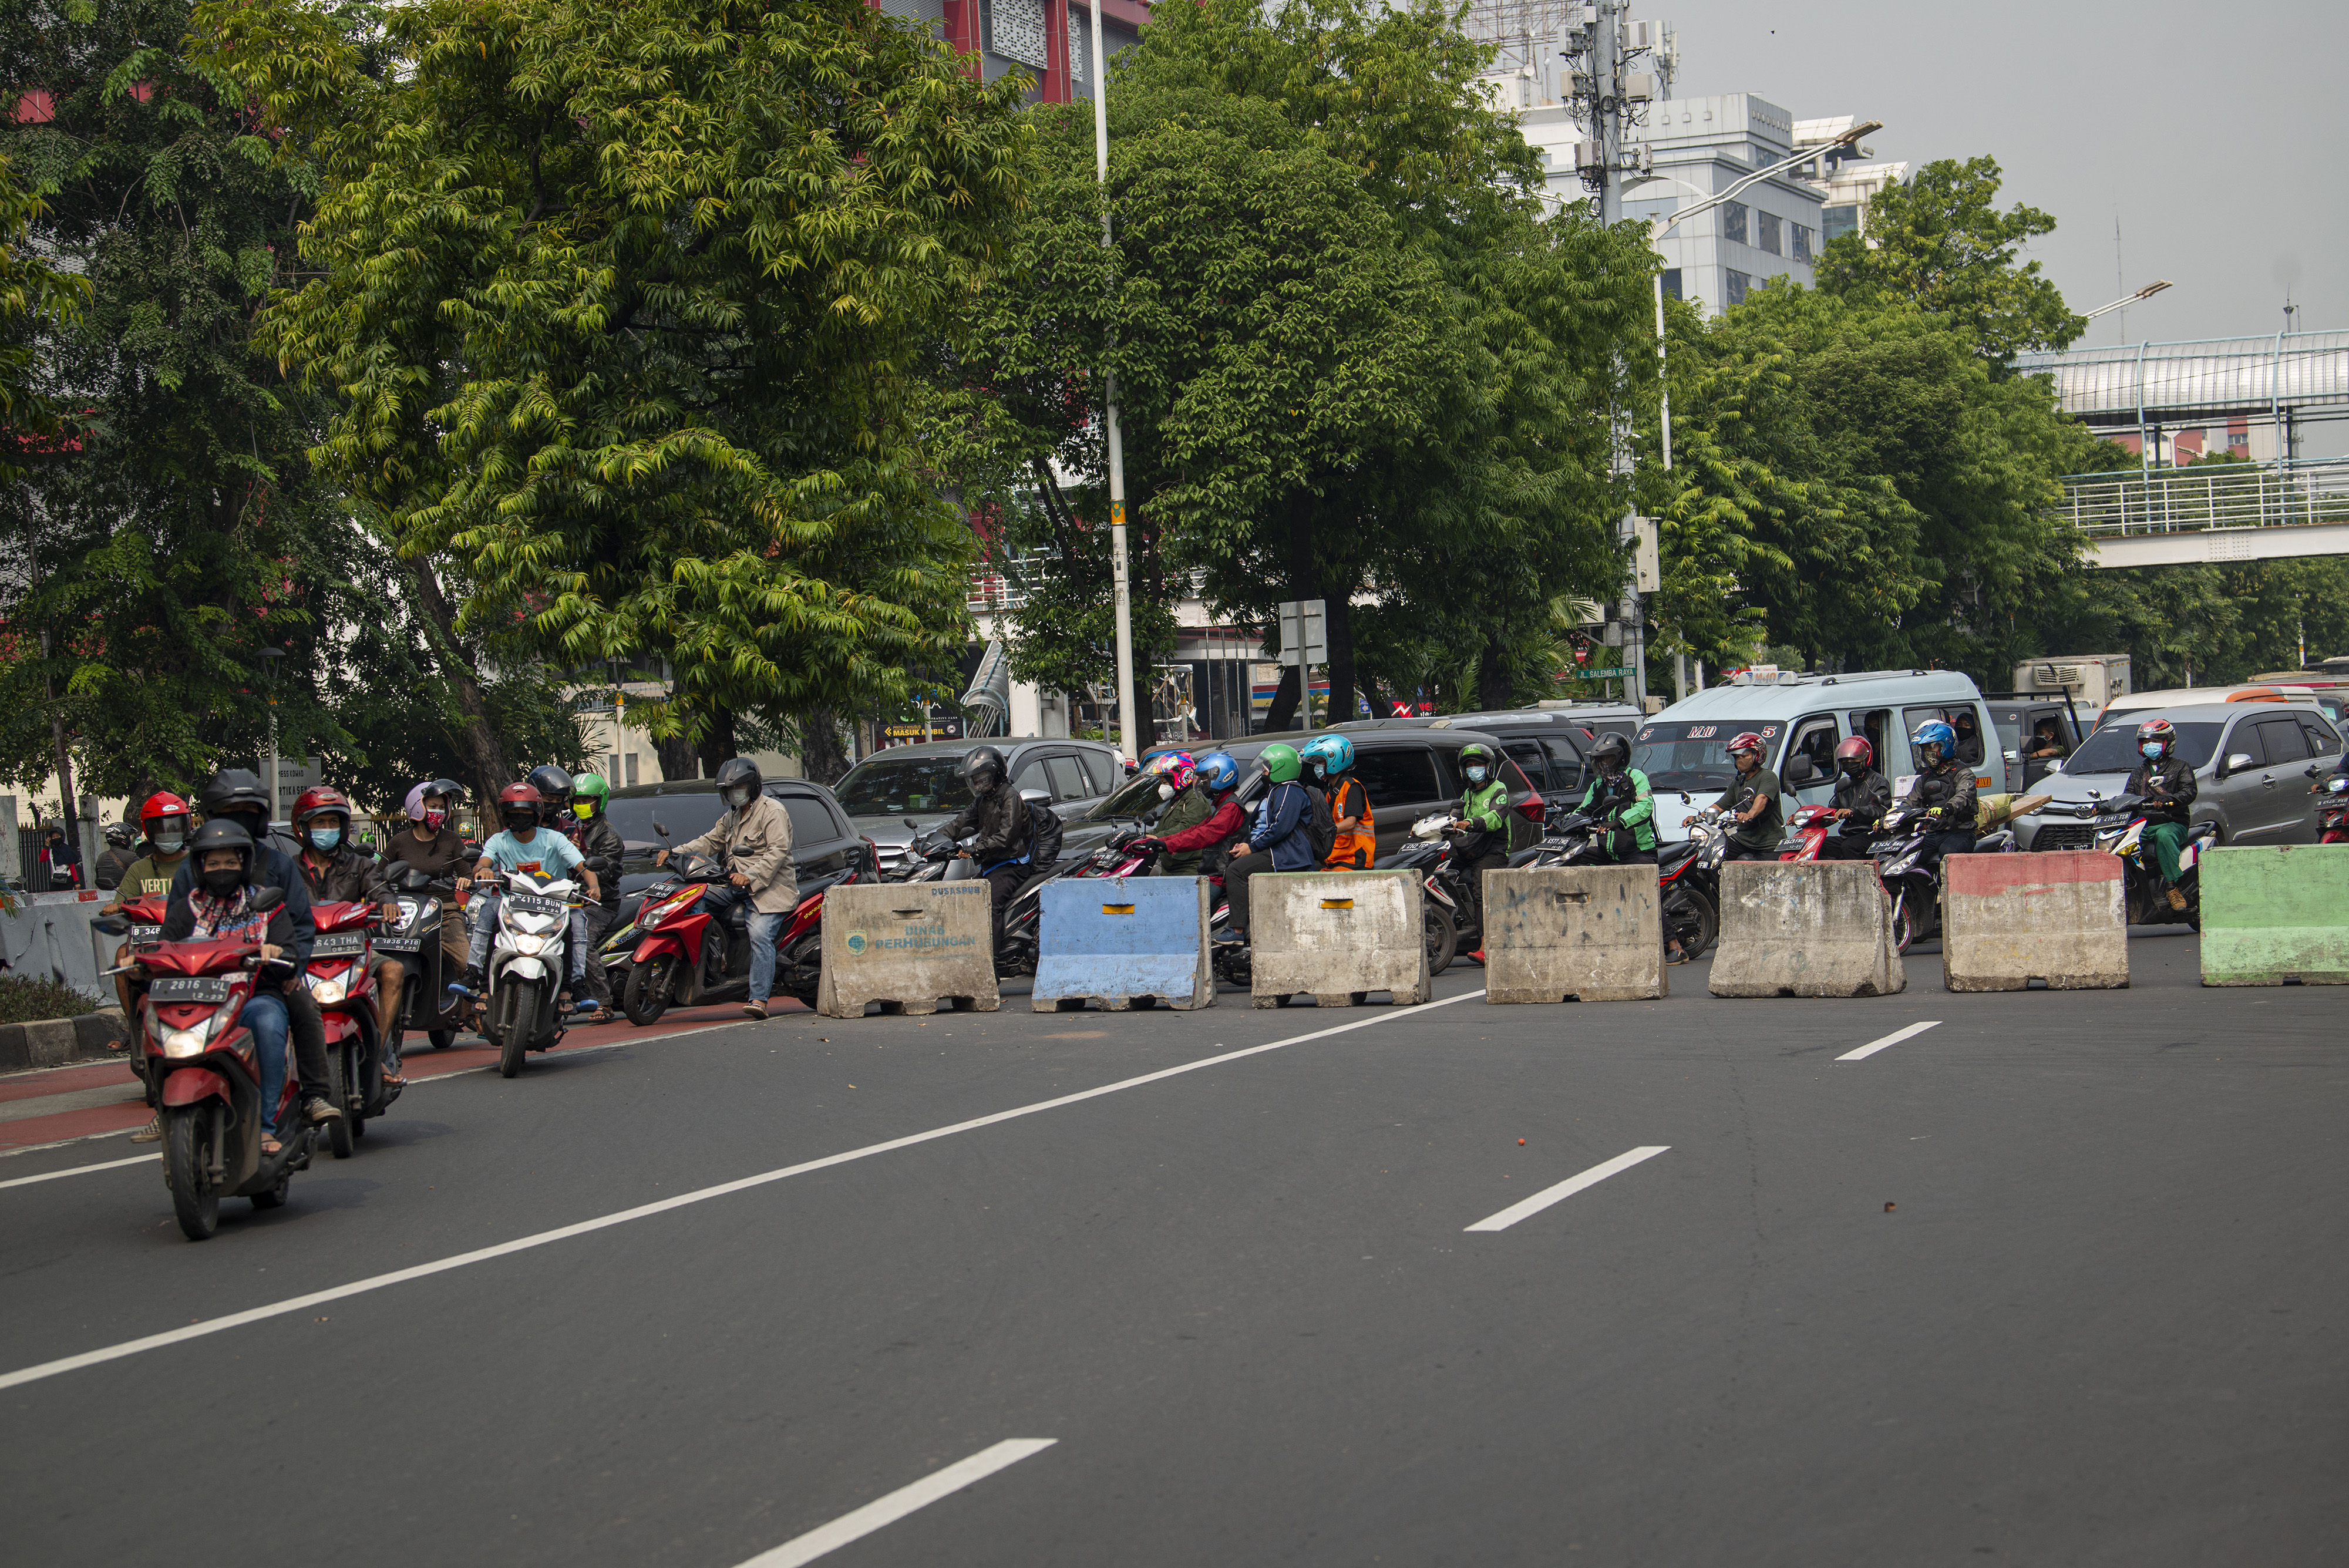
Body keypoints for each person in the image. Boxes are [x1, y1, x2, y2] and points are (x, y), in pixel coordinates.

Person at [169, 770, 338, 1133]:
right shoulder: (189, 872)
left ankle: (312, 1095)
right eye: (233, 811)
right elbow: (172, 935)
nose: (221, 869)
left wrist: (292, 969)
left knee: (301, 1007)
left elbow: (299, 924)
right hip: (201, 988)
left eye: (250, 810)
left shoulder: (276, 865)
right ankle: (162, 1102)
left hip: (263, 982)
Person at [154, 820, 301, 1155]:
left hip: (252, 997)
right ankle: (160, 1105)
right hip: (199, 1003)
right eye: (214, 863)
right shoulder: (184, 909)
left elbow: (290, 951)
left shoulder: (265, 905)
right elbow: (165, 949)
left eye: (231, 863)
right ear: (200, 867)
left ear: (244, 865)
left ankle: (265, 1125)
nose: (222, 870)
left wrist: (276, 951)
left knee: (268, 1023)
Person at [654, 758, 792, 1020]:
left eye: (738, 788)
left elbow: (778, 852)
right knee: (693, 902)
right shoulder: (732, 815)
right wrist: (676, 853)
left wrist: (749, 876)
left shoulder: (772, 812)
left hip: (768, 890)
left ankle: (759, 998)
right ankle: (713, 964)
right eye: (729, 790)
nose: (733, 793)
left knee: (761, 935)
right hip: (732, 884)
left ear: (751, 787)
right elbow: (710, 841)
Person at [290, 786, 408, 1084]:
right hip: (304, 953)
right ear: (303, 828)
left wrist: (388, 905)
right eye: (319, 823)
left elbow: (380, 889)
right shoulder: (288, 870)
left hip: (354, 950)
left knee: (394, 970)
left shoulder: (360, 865)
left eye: (333, 823)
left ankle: (379, 1055)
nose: (327, 829)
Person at [102, 792, 197, 1137]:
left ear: (185, 827)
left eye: (174, 825)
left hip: (191, 944)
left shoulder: (197, 865)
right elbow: (120, 902)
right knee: (120, 959)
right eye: (161, 827)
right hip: (149, 946)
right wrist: (116, 907)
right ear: (149, 831)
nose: (169, 833)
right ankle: (134, 1027)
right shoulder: (139, 869)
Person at [462, 782, 600, 1009]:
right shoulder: (498, 840)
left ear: (537, 813)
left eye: (526, 812)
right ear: (504, 815)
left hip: (555, 904)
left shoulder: (554, 839)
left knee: (577, 923)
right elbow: (482, 864)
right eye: (514, 812)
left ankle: (575, 985)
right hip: (510, 903)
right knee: (487, 912)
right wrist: (483, 870)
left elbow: (582, 866)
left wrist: (593, 885)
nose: (520, 817)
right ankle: (475, 974)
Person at [933, 746, 1029, 961]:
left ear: (995, 774)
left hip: (1010, 865)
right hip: (990, 864)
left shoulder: (1010, 797)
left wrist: (974, 848)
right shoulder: (983, 800)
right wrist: (931, 841)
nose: (977, 783)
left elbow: (1006, 837)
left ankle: (990, 961)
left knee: (989, 905)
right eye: (974, 778)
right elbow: (959, 823)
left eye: (981, 777)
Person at [383, 779, 474, 994]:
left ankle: (474, 1012)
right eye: (432, 807)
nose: (438, 812)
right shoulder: (399, 842)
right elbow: (380, 874)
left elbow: (465, 872)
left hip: (445, 912)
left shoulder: (452, 840)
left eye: (442, 807)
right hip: (406, 915)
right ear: (417, 807)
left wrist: (466, 880)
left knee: (466, 964)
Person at [1219, 743, 1314, 942]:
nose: (1263, 772)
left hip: (1287, 854)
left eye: (1266, 768)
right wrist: (1246, 846)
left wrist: (1252, 848)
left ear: (1281, 768)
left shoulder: (1290, 791)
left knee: (1236, 871)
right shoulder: (1276, 791)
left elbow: (1280, 827)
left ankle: (1236, 931)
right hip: (1275, 851)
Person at [564, 772, 625, 1021]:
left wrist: (582, 851)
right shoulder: (568, 828)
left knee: (582, 940)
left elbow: (607, 870)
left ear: (599, 801)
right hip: (566, 898)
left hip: (599, 902)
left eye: (587, 800)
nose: (580, 805)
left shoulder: (608, 835)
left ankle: (603, 1001)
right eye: (576, 800)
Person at [2125, 718, 2198, 911]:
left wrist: (2170, 799)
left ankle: (2172, 887)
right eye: (2146, 742)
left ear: (2168, 743)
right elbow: (2128, 796)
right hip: (2144, 825)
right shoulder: (2138, 772)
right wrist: (2104, 806)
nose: (2150, 746)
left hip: (2172, 823)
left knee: (2163, 836)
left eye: (2155, 742)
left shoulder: (2181, 767)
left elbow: (2189, 792)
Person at [1893, 720, 1978, 873]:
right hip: (1933, 833)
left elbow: (1963, 796)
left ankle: (1952, 894)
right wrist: (1891, 817)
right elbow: (1910, 802)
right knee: (1907, 854)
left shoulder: (1963, 773)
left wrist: (1946, 808)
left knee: (1948, 852)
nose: (1927, 752)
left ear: (1946, 745)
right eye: (1924, 748)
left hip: (1960, 833)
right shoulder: (1924, 778)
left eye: (1932, 747)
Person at [1143, 751, 1246, 876]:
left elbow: (1204, 834)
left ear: (1221, 777)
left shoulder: (1231, 808)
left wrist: (1167, 844)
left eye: (1205, 779)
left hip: (1219, 875)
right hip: (1209, 870)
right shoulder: (1222, 805)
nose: (1201, 783)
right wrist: (1162, 841)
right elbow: (1195, 829)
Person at [1574, 732, 1655, 863]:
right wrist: (1564, 821)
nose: (1600, 764)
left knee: (1640, 876)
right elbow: (1584, 810)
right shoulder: (1599, 785)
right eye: (1597, 760)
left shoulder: (1635, 777)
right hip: (1607, 853)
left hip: (1637, 851)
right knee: (1575, 857)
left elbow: (1644, 807)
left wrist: (1619, 822)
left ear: (1619, 758)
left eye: (1605, 759)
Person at [1304, 734, 1374, 869]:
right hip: (1337, 859)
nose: (1318, 767)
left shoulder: (1351, 787)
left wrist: (1325, 832)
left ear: (1334, 760)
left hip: (1353, 860)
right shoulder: (1331, 791)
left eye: (1321, 762)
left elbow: (1350, 823)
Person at [1818, 736, 1893, 860]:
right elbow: (1832, 811)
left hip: (1871, 834)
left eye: (1853, 759)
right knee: (1819, 845)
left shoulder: (1878, 782)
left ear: (1865, 760)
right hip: (1848, 835)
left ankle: (1860, 878)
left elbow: (1879, 810)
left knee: (1850, 846)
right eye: (1844, 760)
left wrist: (1853, 811)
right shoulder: (1844, 785)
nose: (1848, 763)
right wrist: (1809, 817)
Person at [1713, 732, 1783, 861]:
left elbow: (1762, 800)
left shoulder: (1767, 777)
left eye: (1744, 756)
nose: (1740, 761)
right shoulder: (1738, 782)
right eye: (1737, 757)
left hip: (1769, 844)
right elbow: (1720, 805)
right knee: (1713, 855)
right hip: (1743, 841)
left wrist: (1749, 814)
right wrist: (1699, 816)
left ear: (1757, 755)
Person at [2022, 716, 2071, 786]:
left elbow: (2051, 752)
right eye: (2037, 734)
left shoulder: (2061, 748)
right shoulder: (2034, 747)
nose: (2038, 736)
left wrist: (2030, 756)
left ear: (2050, 735)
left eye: (2041, 733)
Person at [93, 822, 139, 891]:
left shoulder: (101, 857)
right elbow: (145, 876)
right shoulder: (131, 856)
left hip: (106, 895)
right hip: (127, 896)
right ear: (123, 837)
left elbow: (99, 878)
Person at [41, 822, 83, 890]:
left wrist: (76, 882)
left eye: (58, 836)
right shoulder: (52, 851)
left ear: (62, 836)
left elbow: (72, 867)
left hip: (67, 878)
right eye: (54, 837)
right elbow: (42, 859)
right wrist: (46, 845)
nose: (56, 838)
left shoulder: (67, 849)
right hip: (55, 879)